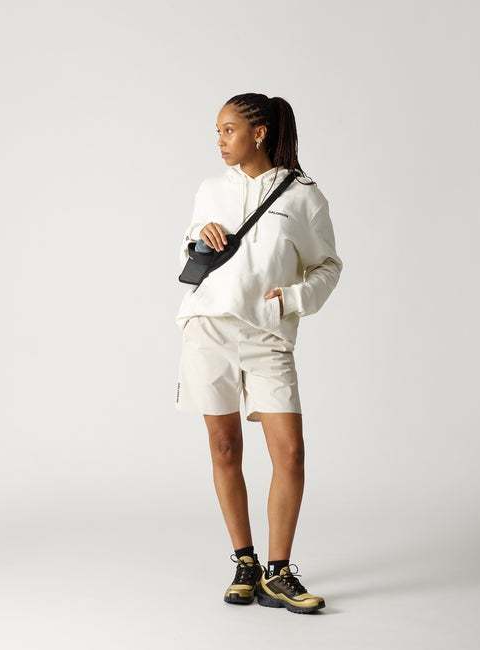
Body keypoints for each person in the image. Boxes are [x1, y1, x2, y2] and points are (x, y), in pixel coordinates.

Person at [174, 93, 343, 615]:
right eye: (218, 131)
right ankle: (245, 562)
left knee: (289, 454)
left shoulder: (304, 196)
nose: (220, 140)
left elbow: (329, 265)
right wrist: (199, 239)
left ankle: (279, 571)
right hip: (209, 328)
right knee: (225, 447)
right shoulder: (210, 190)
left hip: (268, 336)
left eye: (228, 130)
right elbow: (191, 255)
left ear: (260, 133)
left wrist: (292, 299)